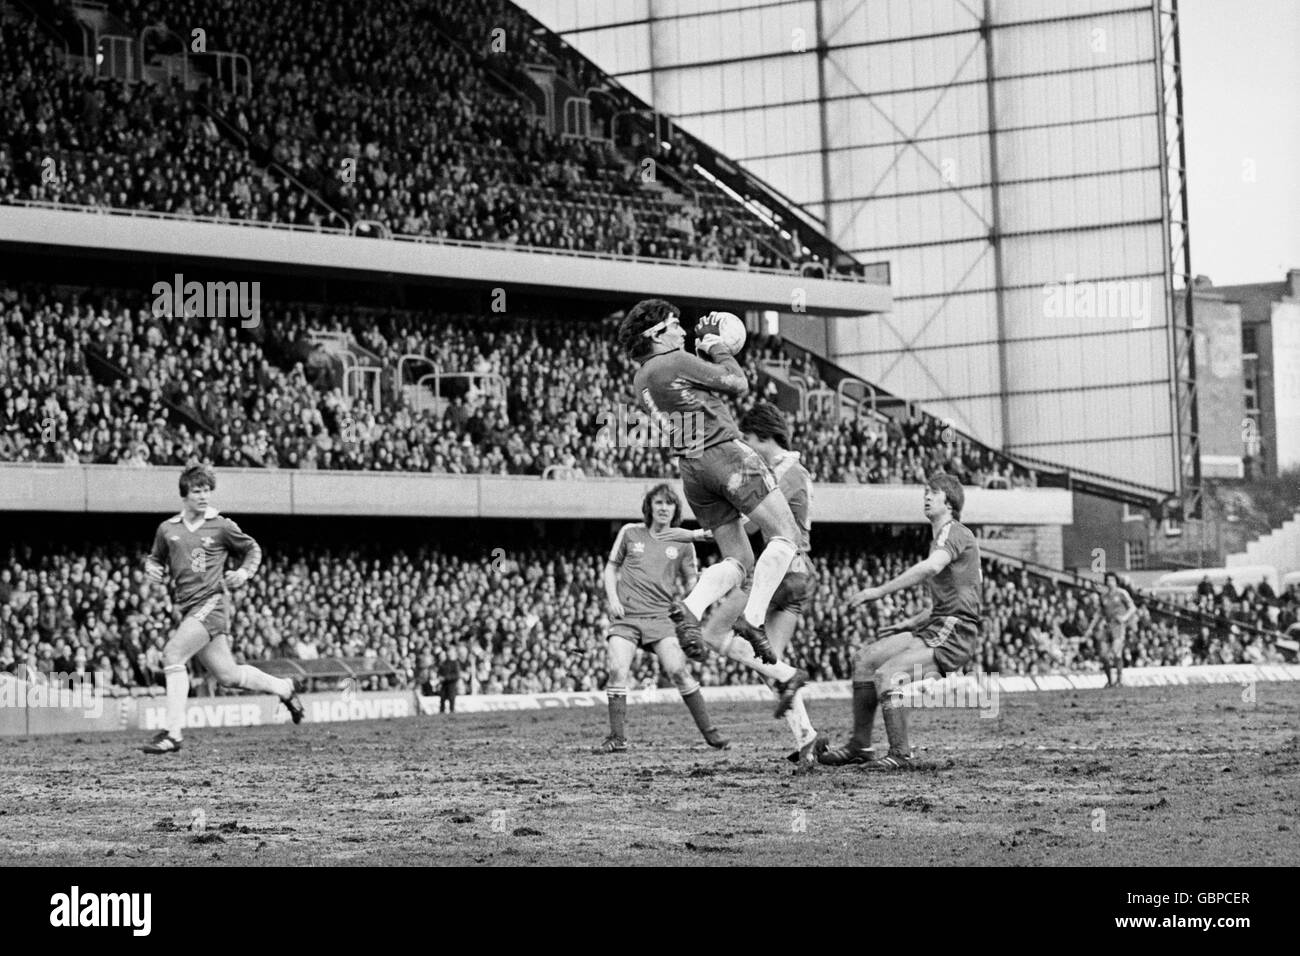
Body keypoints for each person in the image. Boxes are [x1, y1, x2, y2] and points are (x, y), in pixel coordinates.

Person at [616, 299, 807, 704]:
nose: (682, 331)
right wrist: (717, 345)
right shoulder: (673, 360)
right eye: (674, 325)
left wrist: (702, 354)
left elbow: (693, 396)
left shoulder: (642, 379)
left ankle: (691, 605)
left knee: (740, 560)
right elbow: (737, 383)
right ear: (655, 336)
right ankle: (753, 620)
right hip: (726, 454)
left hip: (692, 471)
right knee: (786, 535)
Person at [686, 402, 826, 768]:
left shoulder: (785, 473)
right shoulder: (798, 471)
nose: (744, 446)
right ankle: (807, 738)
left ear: (764, 437)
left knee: (715, 635)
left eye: (747, 439)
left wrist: (707, 530)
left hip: (779, 571)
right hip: (797, 576)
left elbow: (750, 525)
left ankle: (793, 680)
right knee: (768, 662)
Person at [820, 473, 983, 771]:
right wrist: (907, 623)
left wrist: (878, 591)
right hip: (937, 625)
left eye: (933, 492)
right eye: (925, 491)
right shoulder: (941, 539)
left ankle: (900, 754)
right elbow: (945, 603)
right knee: (864, 660)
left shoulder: (954, 532)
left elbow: (931, 572)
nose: (926, 495)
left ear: (949, 501)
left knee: (887, 675)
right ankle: (860, 746)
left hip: (955, 632)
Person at [140, 464, 303, 754]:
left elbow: (253, 549)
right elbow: (154, 558)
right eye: (197, 491)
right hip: (189, 608)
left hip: (212, 603)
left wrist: (243, 573)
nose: (203, 496)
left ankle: (173, 733)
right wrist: (151, 568)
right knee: (228, 676)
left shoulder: (221, 526)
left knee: (172, 654)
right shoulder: (168, 529)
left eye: (207, 490)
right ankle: (284, 688)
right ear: (185, 494)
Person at [595, 484, 729, 752]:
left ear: (675, 510)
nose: (664, 508)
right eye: (658, 503)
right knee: (617, 670)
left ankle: (710, 733)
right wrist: (613, 599)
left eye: (669, 504)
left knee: (678, 671)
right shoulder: (629, 532)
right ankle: (617, 738)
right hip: (628, 617)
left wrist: (702, 587)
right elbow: (611, 568)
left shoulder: (683, 542)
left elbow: (692, 580)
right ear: (649, 507)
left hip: (661, 618)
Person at [1084, 572, 1138, 687]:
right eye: (1108, 580)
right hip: (1107, 626)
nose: (1110, 583)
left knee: (1114, 654)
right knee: (1104, 655)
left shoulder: (1122, 593)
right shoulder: (1104, 596)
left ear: (1116, 581)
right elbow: (1099, 613)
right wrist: (1090, 628)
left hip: (1118, 627)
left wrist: (1124, 618)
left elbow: (1132, 607)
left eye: (1112, 580)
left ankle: (1119, 680)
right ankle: (1110, 681)